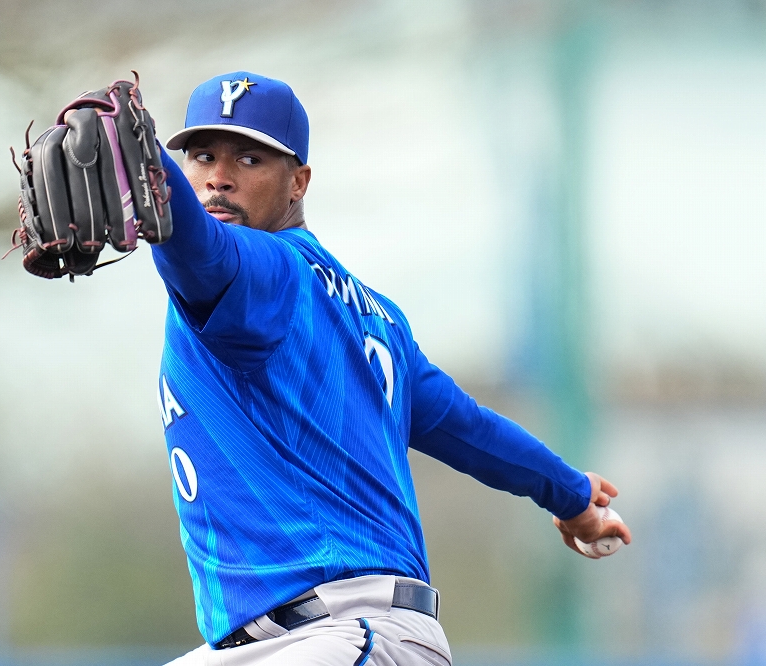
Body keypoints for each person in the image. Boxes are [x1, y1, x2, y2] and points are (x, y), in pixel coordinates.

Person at [153, 71, 632, 666]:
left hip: (344, 631)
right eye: (202, 156)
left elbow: (199, 250)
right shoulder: (377, 319)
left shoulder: (263, 273)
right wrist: (572, 493)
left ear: (298, 182)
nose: (218, 177)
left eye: (249, 159)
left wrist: (150, 171)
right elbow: (471, 430)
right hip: (307, 640)